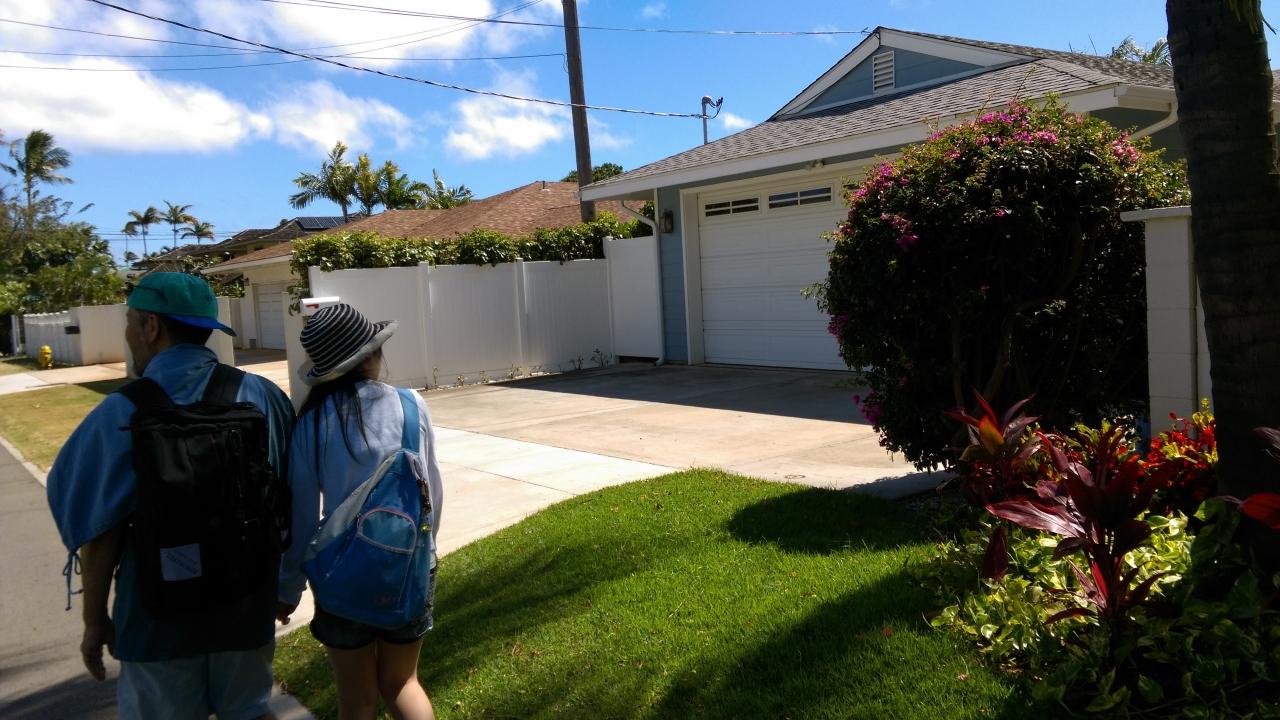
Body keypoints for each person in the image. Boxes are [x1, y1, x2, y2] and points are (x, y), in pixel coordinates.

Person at [46, 272, 295, 719]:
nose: (127, 333)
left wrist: (94, 620)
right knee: (250, 710)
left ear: (151, 326)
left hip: (156, 620)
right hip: (246, 607)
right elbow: (289, 498)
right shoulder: (261, 396)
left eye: (129, 321)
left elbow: (98, 533)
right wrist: (286, 586)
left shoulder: (120, 412)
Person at [277, 303, 444, 720]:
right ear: (372, 353)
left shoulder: (311, 423)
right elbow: (431, 492)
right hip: (408, 569)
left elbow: (300, 518)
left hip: (341, 575)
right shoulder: (411, 405)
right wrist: (424, 553)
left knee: (357, 700)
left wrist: (288, 588)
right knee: (403, 683)